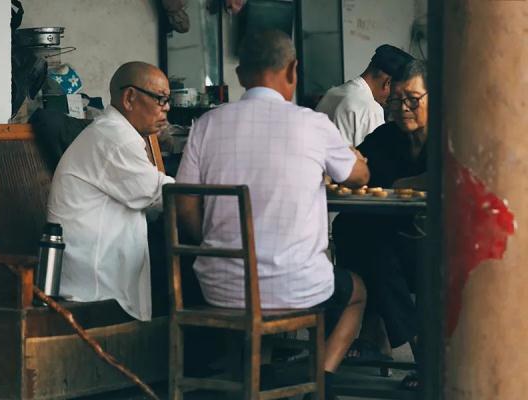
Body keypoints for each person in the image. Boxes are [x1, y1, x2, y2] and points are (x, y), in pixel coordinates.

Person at [175, 30, 369, 400]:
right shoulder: (313, 124)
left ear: (240, 74)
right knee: (356, 291)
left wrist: (216, 250)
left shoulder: (206, 125)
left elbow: (185, 205)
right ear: (293, 71)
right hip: (297, 288)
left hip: (219, 288)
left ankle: (257, 375)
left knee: (252, 292)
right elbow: (358, 176)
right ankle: (320, 383)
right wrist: (356, 159)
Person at [47, 62, 175, 321]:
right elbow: (163, 196)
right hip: (91, 290)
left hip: (95, 276)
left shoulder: (114, 132)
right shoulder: (114, 137)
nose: (167, 108)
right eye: (161, 99)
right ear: (129, 98)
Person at [332, 59, 429, 390]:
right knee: (352, 230)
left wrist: (402, 181)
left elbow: (442, 178)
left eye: (412, 100)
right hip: (389, 240)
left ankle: (409, 347)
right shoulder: (386, 137)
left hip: (432, 242)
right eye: (396, 100)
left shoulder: (448, 139)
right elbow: (353, 165)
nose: (403, 108)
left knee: (376, 248)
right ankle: (415, 350)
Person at [316, 44, 414, 146]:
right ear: (388, 83)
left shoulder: (332, 93)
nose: (395, 99)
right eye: (397, 93)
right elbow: (374, 159)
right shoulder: (370, 109)